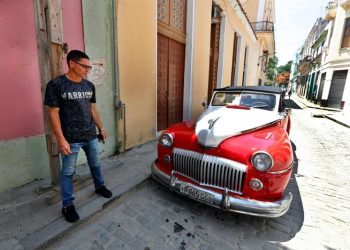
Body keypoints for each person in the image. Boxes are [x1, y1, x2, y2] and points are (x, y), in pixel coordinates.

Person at [44, 50, 112, 223]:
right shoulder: (56, 85)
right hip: (71, 139)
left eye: (89, 67)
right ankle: (67, 205)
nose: (87, 70)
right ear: (72, 63)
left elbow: (92, 110)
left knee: (95, 164)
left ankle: (99, 186)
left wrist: (101, 128)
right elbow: (53, 113)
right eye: (84, 66)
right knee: (67, 173)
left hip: (90, 135)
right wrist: (61, 139)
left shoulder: (89, 86)